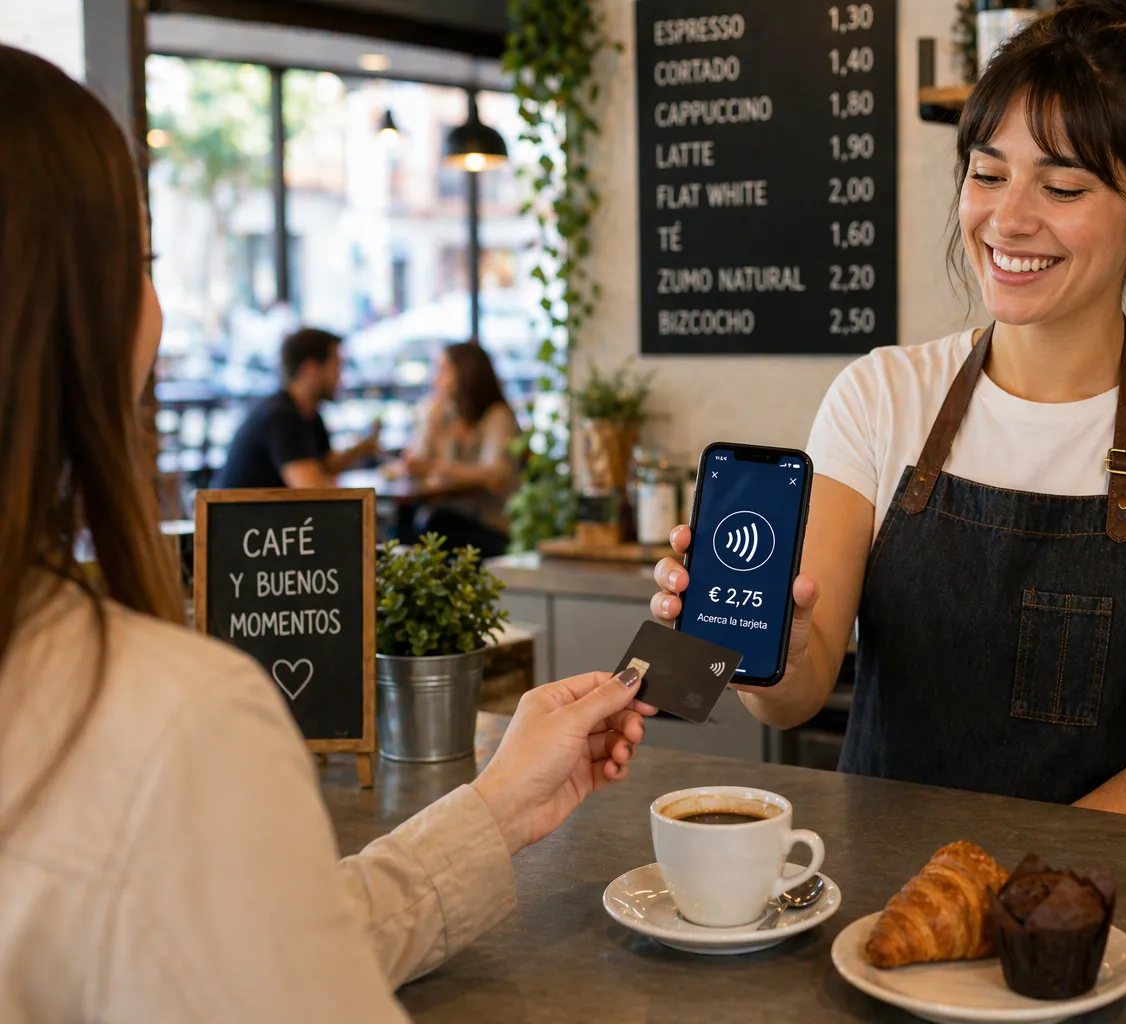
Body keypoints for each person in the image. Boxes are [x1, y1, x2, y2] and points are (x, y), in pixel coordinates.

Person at [0, 45, 654, 1021]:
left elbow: (252, 940)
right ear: (82, 313)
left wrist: (497, 804)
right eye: (142, 260)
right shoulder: (168, 723)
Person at [653, 0, 1126, 824]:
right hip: (872, 907)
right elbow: (796, 698)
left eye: (1062, 185)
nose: (1009, 218)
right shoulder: (881, 396)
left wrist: (1003, 889)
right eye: (988, 173)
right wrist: (767, 647)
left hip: (1089, 926)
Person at [396, 342, 521, 556]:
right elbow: (415, 464)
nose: (435, 379)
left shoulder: (498, 416)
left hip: (491, 525)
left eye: (443, 370)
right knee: (408, 520)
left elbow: (495, 474)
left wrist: (437, 468)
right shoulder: (446, 416)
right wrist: (429, 424)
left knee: (432, 525)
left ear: (465, 373)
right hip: (454, 518)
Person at [214, 327, 379, 489]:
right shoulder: (281, 416)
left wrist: (361, 448)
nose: (341, 378)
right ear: (311, 369)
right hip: (242, 516)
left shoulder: (308, 414)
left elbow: (324, 465)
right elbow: (313, 491)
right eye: (336, 366)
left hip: (269, 516)